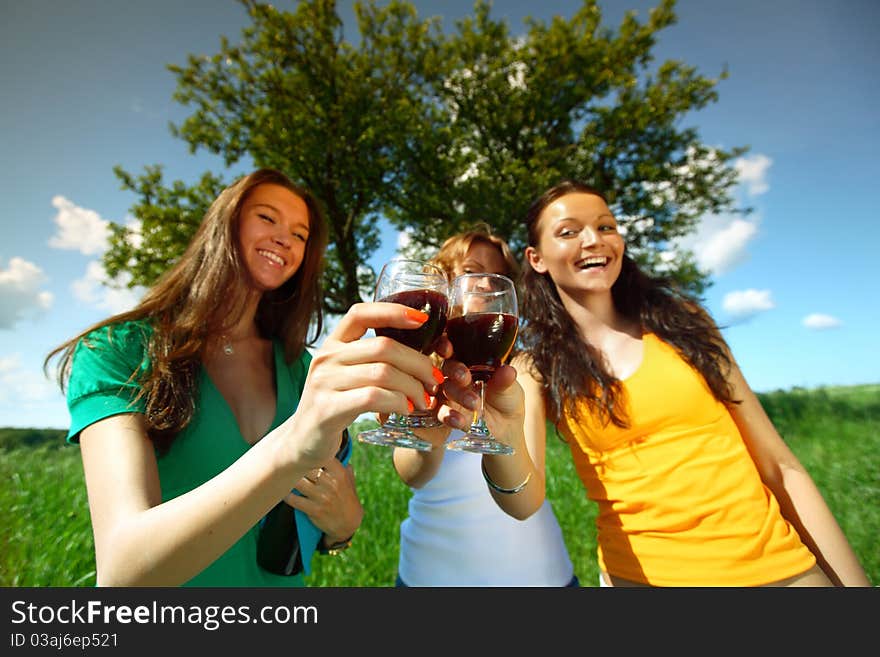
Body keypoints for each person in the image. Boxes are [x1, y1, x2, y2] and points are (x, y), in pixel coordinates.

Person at [436, 180, 870, 587]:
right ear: (537, 259)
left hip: (779, 569)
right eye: (569, 232)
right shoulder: (536, 366)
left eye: (605, 227)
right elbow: (524, 501)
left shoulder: (685, 325)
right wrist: (504, 439)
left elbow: (782, 468)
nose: (594, 240)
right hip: (641, 579)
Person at [44, 168, 443, 587]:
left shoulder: (304, 371)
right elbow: (122, 572)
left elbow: (328, 516)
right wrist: (291, 446)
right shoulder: (116, 350)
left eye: (300, 234)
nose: (284, 238)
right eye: (267, 218)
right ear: (225, 224)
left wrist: (344, 526)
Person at [391, 224, 577, 587]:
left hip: (535, 576)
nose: (488, 286)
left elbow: (526, 502)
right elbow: (412, 475)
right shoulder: (418, 360)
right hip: (428, 575)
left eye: (499, 279)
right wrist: (431, 426)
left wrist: (501, 436)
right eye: (473, 272)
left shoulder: (519, 371)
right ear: (444, 283)